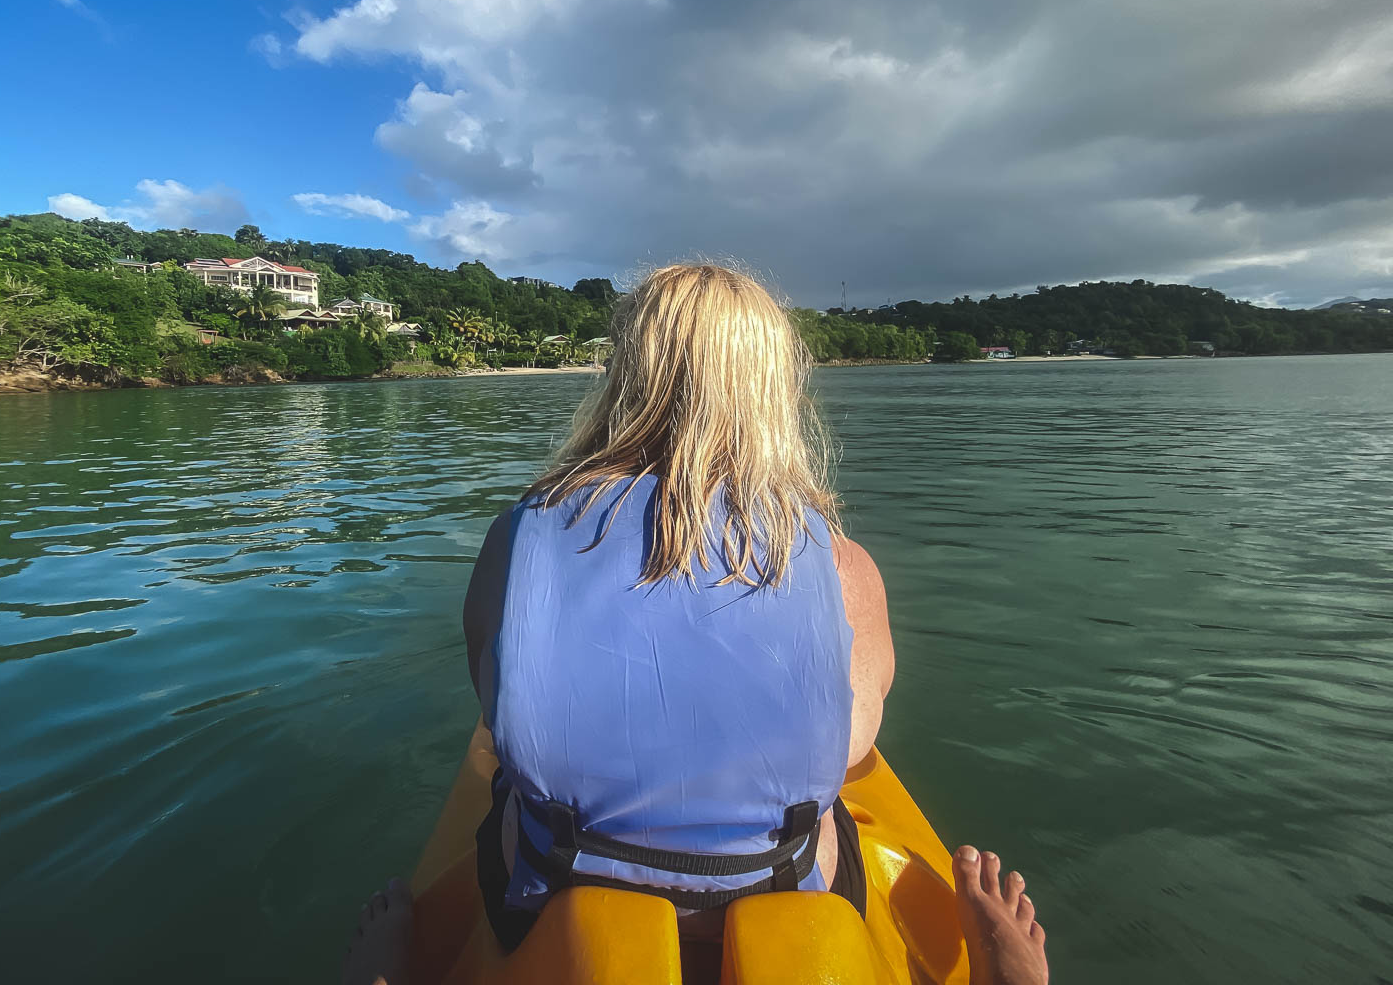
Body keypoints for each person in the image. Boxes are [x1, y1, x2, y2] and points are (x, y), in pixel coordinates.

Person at [343, 264, 1048, 985]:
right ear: (773, 386)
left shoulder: (517, 537)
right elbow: (851, 747)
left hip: (555, 888)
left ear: (625, 373)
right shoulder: (842, 566)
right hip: (778, 882)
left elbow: (493, 706)